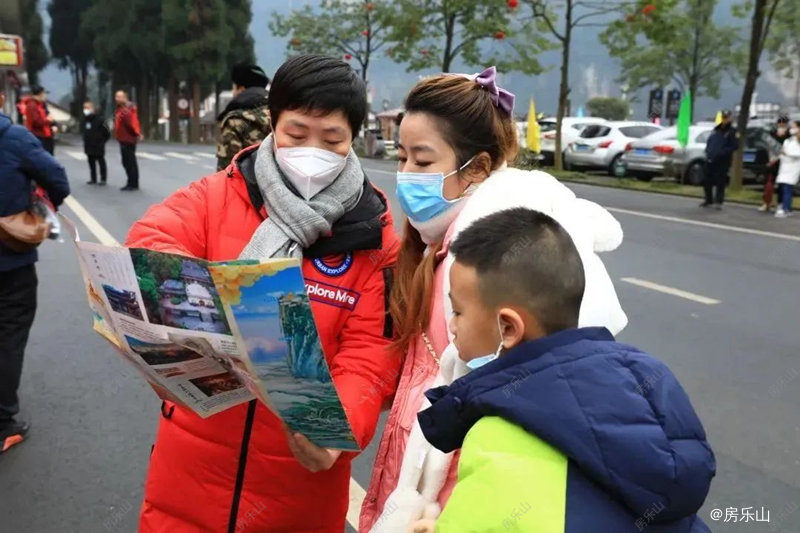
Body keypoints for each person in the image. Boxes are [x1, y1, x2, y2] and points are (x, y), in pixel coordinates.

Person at [126, 54, 401, 532]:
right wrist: (204, 306)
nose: (312, 150)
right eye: (297, 134)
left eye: (332, 139)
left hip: (299, 484)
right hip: (189, 471)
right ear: (271, 123)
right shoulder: (217, 196)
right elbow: (150, 241)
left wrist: (335, 431)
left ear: (352, 137)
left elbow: (371, 354)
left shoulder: (372, 235)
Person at [361, 67, 628, 532]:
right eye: (401, 157)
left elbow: (506, 399)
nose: (405, 175)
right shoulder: (437, 243)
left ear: (479, 167)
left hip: (454, 479)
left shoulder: (484, 262)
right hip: (418, 451)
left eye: (423, 163)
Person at [409, 207, 715, 532]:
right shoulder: (644, 373)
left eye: (457, 311)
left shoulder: (500, 432)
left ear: (509, 328)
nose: (451, 325)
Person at [0, 89, 70, 453]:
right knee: (9, 333)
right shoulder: (14, 139)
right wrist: (42, 207)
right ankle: (2, 422)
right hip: (9, 259)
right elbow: (57, 179)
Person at [216, 62, 271, 170]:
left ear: (241, 89)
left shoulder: (235, 120)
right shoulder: (283, 113)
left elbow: (227, 171)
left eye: (234, 88)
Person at [701, 110, 737, 209]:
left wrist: (722, 153)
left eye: (726, 117)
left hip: (722, 160)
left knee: (720, 181)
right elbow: (710, 141)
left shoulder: (732, 131)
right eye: (723, 117)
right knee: (707, 180)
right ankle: (708, 200)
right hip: (711, 158)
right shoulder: (716, 129)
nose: (725, 119)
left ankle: (719, 200)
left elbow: (734, 146)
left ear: (730, 118)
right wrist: (708, 151)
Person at [760, 115, 792, 212]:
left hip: (784, 163)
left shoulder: (789, 136)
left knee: (782, 185)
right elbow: (767, 147)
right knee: (769, 183)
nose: (781, 126)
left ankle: (780, 204)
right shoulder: (772, 134)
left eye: (784, 124)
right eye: (780, 124)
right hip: (772, 163)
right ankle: (766, 203)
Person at [114, 90, 141, 191]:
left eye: (120, 97)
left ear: (125, 98)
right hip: (123, 138)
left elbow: (132, 123)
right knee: (126, 161)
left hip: (128, 138)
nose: (117, 99)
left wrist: (136, 134)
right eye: (116, 96)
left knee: (129, 161)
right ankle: (131, 181)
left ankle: (133, 183)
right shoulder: (121, 109)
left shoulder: (127, 109)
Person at [774, 120, 800, 218]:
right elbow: (783, 151)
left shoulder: (797, 141)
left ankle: (785, 208)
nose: (791, 129)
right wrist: (782, 154)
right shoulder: (788, 140)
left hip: (793, 167)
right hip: (784, 166)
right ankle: (787, 208)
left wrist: (787, 154)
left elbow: (796, 153)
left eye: (794, 127)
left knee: (787, 188)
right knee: (785, 188)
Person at [82, 100, 110, 185]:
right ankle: (93, 178)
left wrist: (102, 141)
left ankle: (103, 179)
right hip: (89, 144)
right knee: (91, 162)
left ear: (92, 109)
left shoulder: (100, 119)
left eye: (87, 108)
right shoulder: (86, 120)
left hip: (98, 144)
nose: (85, 110)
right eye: (84, 108)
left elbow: (107, 132)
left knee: (101, 161)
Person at [25, 85, 55, 155]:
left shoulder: (42, 105)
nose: (45, 96)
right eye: (44, 94)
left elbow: (49, 115)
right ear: (40, 94)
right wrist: (48, 120)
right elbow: (36, 122)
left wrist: (53, 124)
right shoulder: (32, 105)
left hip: (47, 135)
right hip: (39, 136)